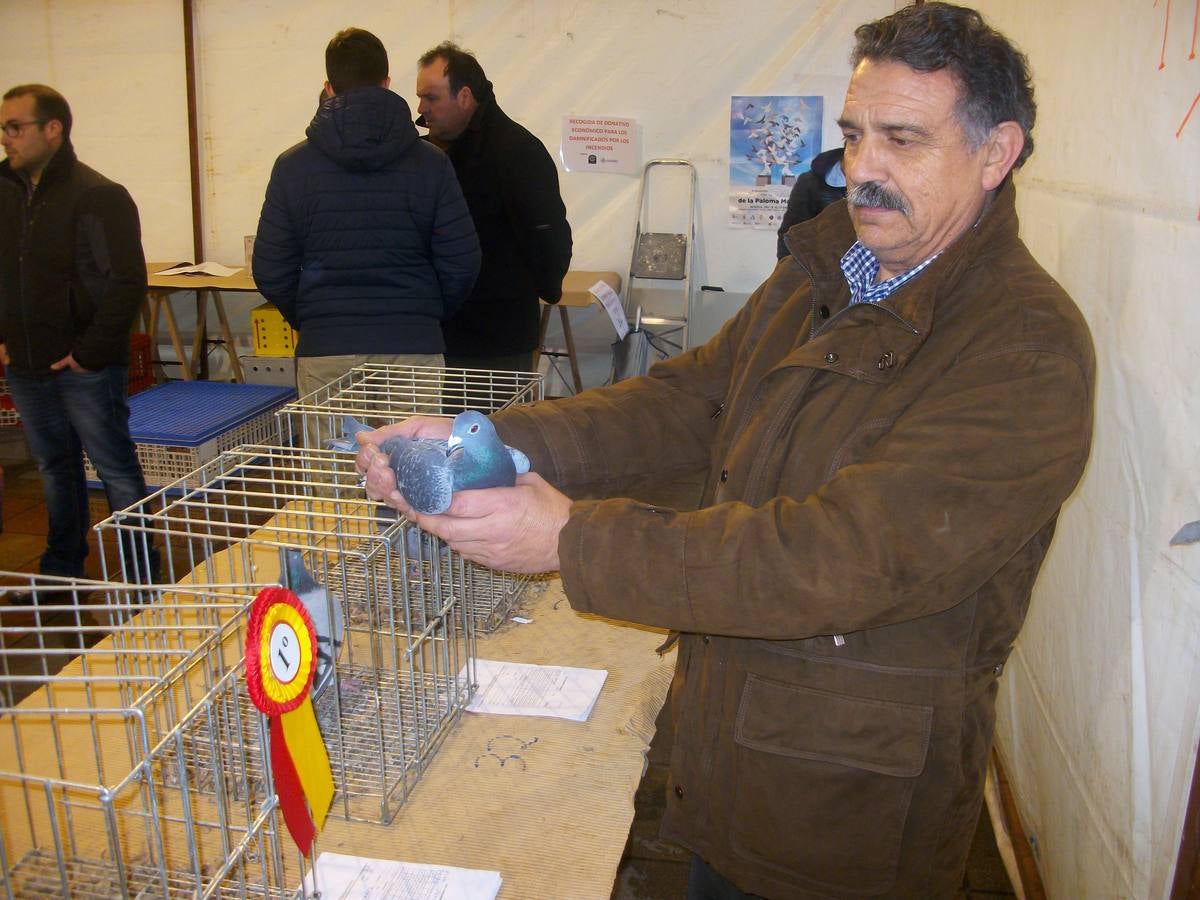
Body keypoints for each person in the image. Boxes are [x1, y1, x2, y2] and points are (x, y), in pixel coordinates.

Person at [363, 4, 1095, 897]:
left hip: (847, 808)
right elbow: (691, 402)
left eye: (904, 139)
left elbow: (844, 555)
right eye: (854, 133)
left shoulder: (1026, 348)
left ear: (996, 153)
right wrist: (492, 439)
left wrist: (571, 541)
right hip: (734, 743)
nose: (863, 169)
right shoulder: (823, 271)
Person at [253, 28, 481, 401]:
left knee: (334, 459)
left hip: (327, 346)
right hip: (412, 344)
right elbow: (463, 260)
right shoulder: (431, 163)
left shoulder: (292, 167)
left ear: (328, 88)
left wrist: (315, 316)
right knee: (411, 457)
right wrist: (424, 311)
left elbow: (269, 267)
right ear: (387, 83)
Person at [0, 84, 159, 586]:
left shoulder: (98, 195)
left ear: (53, 129)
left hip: (83, 366)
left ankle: (140, 579)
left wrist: (89, 354)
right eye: (3, 128)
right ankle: (61, 572)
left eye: (15, 127)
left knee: (114, 469)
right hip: (26, 363)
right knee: (53, 468)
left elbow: (126, 281)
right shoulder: (4, 191)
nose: (7, 138)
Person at [415, 42, 572, 374]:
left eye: (431, 98)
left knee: (499, 426)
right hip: (436, 337)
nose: (421, 108)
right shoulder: (424, 156)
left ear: (465, 97)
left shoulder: (517, 152)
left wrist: (544, 287)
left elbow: (549, 239)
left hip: (498, 342)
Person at [775, 146, 846, 259]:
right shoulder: (810, 182)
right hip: (821, 268)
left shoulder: (877, 182)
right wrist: (789, 272)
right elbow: (790, 234)